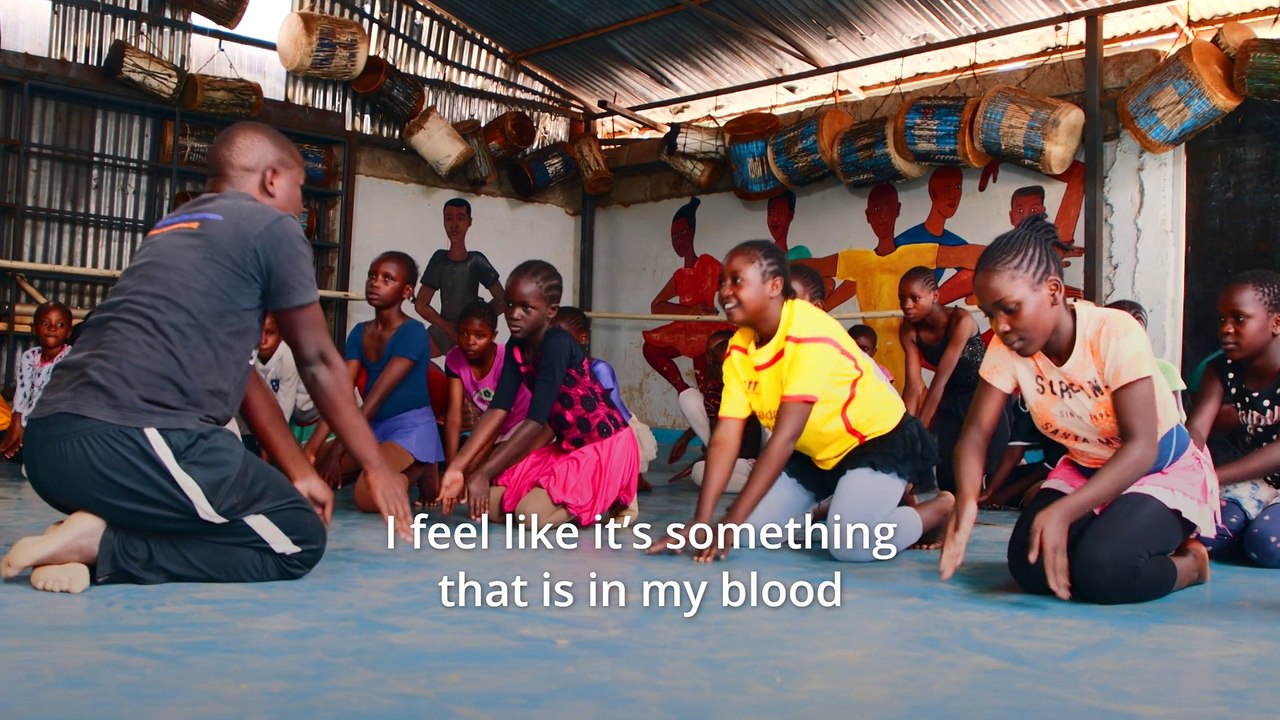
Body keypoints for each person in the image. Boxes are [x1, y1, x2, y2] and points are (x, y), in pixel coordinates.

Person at [0, 121, 411, 594]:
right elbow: (317, 358)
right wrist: (378, 468)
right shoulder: (271, 225)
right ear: (272, 179)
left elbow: (241, 374)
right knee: (297, 536)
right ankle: (105, 547)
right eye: (300, 188)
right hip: (132, 439)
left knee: (236, 505)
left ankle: (86, 547)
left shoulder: (172, 229)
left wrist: (300, 472)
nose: (300, 207)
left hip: (50, 450)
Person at [939, 215, 1216, 605]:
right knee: (1031, 568)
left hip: (1156, 468)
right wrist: (967, 500)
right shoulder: (1008, 348)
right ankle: (1107, 528)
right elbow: (974, 435)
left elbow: (1141, 449)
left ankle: (1191, 563)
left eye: (1010, 309)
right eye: (990, 314)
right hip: (1088, 468)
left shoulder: (1113, 332)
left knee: (1104, 572)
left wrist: (1067, 511)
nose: (1000, 327)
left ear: (1053, 290)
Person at [650, 240, 953, 563]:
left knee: (849, 547)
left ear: (774, 286)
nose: (724, 292)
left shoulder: (807, 332)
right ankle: (855, 506)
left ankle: (941, 509)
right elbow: (725, 437)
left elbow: (784, 438)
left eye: (737, 281)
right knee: (749, 535)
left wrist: (728, 520)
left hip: (875, 443)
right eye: (723, 282)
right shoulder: (740, 349)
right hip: (815, 453)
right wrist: (702, 522)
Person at [440, 260, 638, 529]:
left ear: (550, 311)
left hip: (603, 446)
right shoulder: (516, 344)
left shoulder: (557, 344)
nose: (514, 314)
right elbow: (499, 408)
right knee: (490, 507)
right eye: (509, 305)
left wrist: (483, 472)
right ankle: (574, 494)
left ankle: (612, 495)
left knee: (528, 516)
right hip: (568, 448)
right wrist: (458, 469)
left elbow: (535, 420)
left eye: (526, 308)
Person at [311, 252, 444, 510]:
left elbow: (375, 398)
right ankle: (376, 466)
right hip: (371, 428)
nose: (375, 283)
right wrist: (312, 450)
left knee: (366, 496)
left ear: (407, 291)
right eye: (372, 276)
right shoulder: (360, 333)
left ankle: (419, 468)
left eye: (387, 279)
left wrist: (339, 449)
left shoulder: (413, 332)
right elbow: (340, 393)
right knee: (307, 467)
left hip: (409, 429)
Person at [1188, 271, 1280, 566]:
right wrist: (1186, 472)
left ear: (1276, 323)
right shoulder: (1221, 369)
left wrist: (1212, 479)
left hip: (1259, 470)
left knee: (1265, 544)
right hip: (1259, 480)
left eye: (1239, 319)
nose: (1226, 329)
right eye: (1222, 319)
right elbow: (1197, 429)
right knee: (1201, 535)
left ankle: (1258, 527)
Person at [899, 266, 1009, 493]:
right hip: (950, 400)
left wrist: (920, 430)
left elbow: (939, 381)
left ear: (935, 296)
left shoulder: (961, 321)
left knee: (990, 474)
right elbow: (912, 386)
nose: (907, 305)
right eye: (902, 299)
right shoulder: (909, 329)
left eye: (915, 298)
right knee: (949, 483)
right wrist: (907, 430)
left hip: (983, 395)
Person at [555, 306, 657, 494]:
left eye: (561, 337)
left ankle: (633, 476)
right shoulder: (555, 368)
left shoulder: (598, 368)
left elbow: (613, 411)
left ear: (582, 338)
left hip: (617, 427)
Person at [642, 197, 734, 396]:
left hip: (708, 332)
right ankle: (684, 391)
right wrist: (688, 312)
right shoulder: (679, 275)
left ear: (692, 233)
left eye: (683, 233)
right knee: (650, 348)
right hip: (686, 330)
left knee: (707, 384)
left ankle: (709, 417)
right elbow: (656, 306)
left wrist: (725, 309)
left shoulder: (708, 263)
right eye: (675, 235)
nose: (679, 240)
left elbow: (734, 287)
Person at [442, 299, 532, 473]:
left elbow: (499, 417)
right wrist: (451, 467)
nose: (470, 341)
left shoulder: (506, 359)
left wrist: (463, 471)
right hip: (489, 426)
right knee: (464, 469)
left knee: (487, 470)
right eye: (463, 333)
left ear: (493, 335)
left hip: (519, 425)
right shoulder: (454, 359)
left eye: (479, 335)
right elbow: (454, 416)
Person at [667, 330, 762, 493]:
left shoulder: (756, 387)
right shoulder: (714, 394)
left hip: (761, 456)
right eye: (715, 362)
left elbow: (753, 442)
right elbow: (718, 437)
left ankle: (767, 483)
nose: (711, 363)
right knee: (700, 472)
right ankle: (761, 486)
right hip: (740, 461)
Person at [413, 198, 505, 357]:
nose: (454, 225)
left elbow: (503, 300)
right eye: (449, 218)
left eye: (460, 218)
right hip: (442, 331)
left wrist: (477, 321)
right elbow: (421, 305)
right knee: (412, 356)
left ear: (469, 222)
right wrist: (447, 327)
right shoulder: (439, 259)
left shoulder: (477, 261)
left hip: (468, 336)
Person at [1, 300, 73, 459]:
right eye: (46, 323)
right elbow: (22, 392)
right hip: (26, 421)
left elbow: (46, 398)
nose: (53, 328)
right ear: (34, 328)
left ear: (68, 332)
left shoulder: (70, 359)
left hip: (50, 421)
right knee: (8, 442)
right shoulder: (29, 356)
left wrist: (24, 427)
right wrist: (16, 423)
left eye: (60, 325)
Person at [254, 312, 319, 446]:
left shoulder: (288, 358)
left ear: (281, 335)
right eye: (258, 332)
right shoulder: (252, 355)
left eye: (270, 333)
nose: (262, 340)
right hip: (291, 416)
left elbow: (284, 411)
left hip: (313, 416)